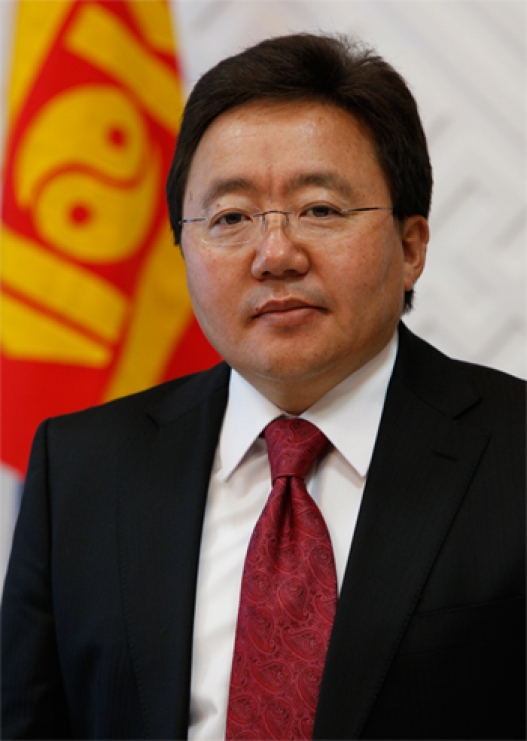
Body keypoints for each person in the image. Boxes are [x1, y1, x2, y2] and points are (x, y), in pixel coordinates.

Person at [2, 32, 525, 741]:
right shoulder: (82, 467)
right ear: (183, 251)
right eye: (230, 218)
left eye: (320, 209)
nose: (274, 255)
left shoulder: (514, 454)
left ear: (410, 247)